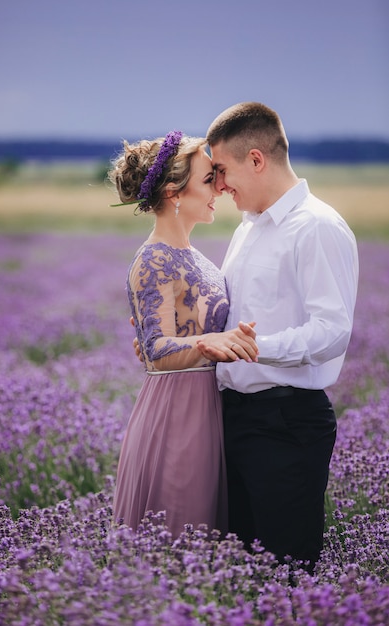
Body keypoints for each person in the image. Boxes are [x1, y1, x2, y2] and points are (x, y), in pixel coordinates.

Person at [196, 102, 359, 572]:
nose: (219, 185)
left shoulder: (318, 227)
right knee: (239, 566)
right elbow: (231, 316)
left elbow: (332, 330)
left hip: (285, 423)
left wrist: (254, 348)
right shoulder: (248, 229)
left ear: (256, 159)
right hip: (231, 416)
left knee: (286, 569)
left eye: (223, 170)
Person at [110, 131, 258, 538]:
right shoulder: (154, 258)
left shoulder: (196, 257)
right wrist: (216, 344)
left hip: (209, 406)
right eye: (209, 179)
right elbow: (157, 350)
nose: (220, 189)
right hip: (176, 413)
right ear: (175, 192)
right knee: (179, 534)